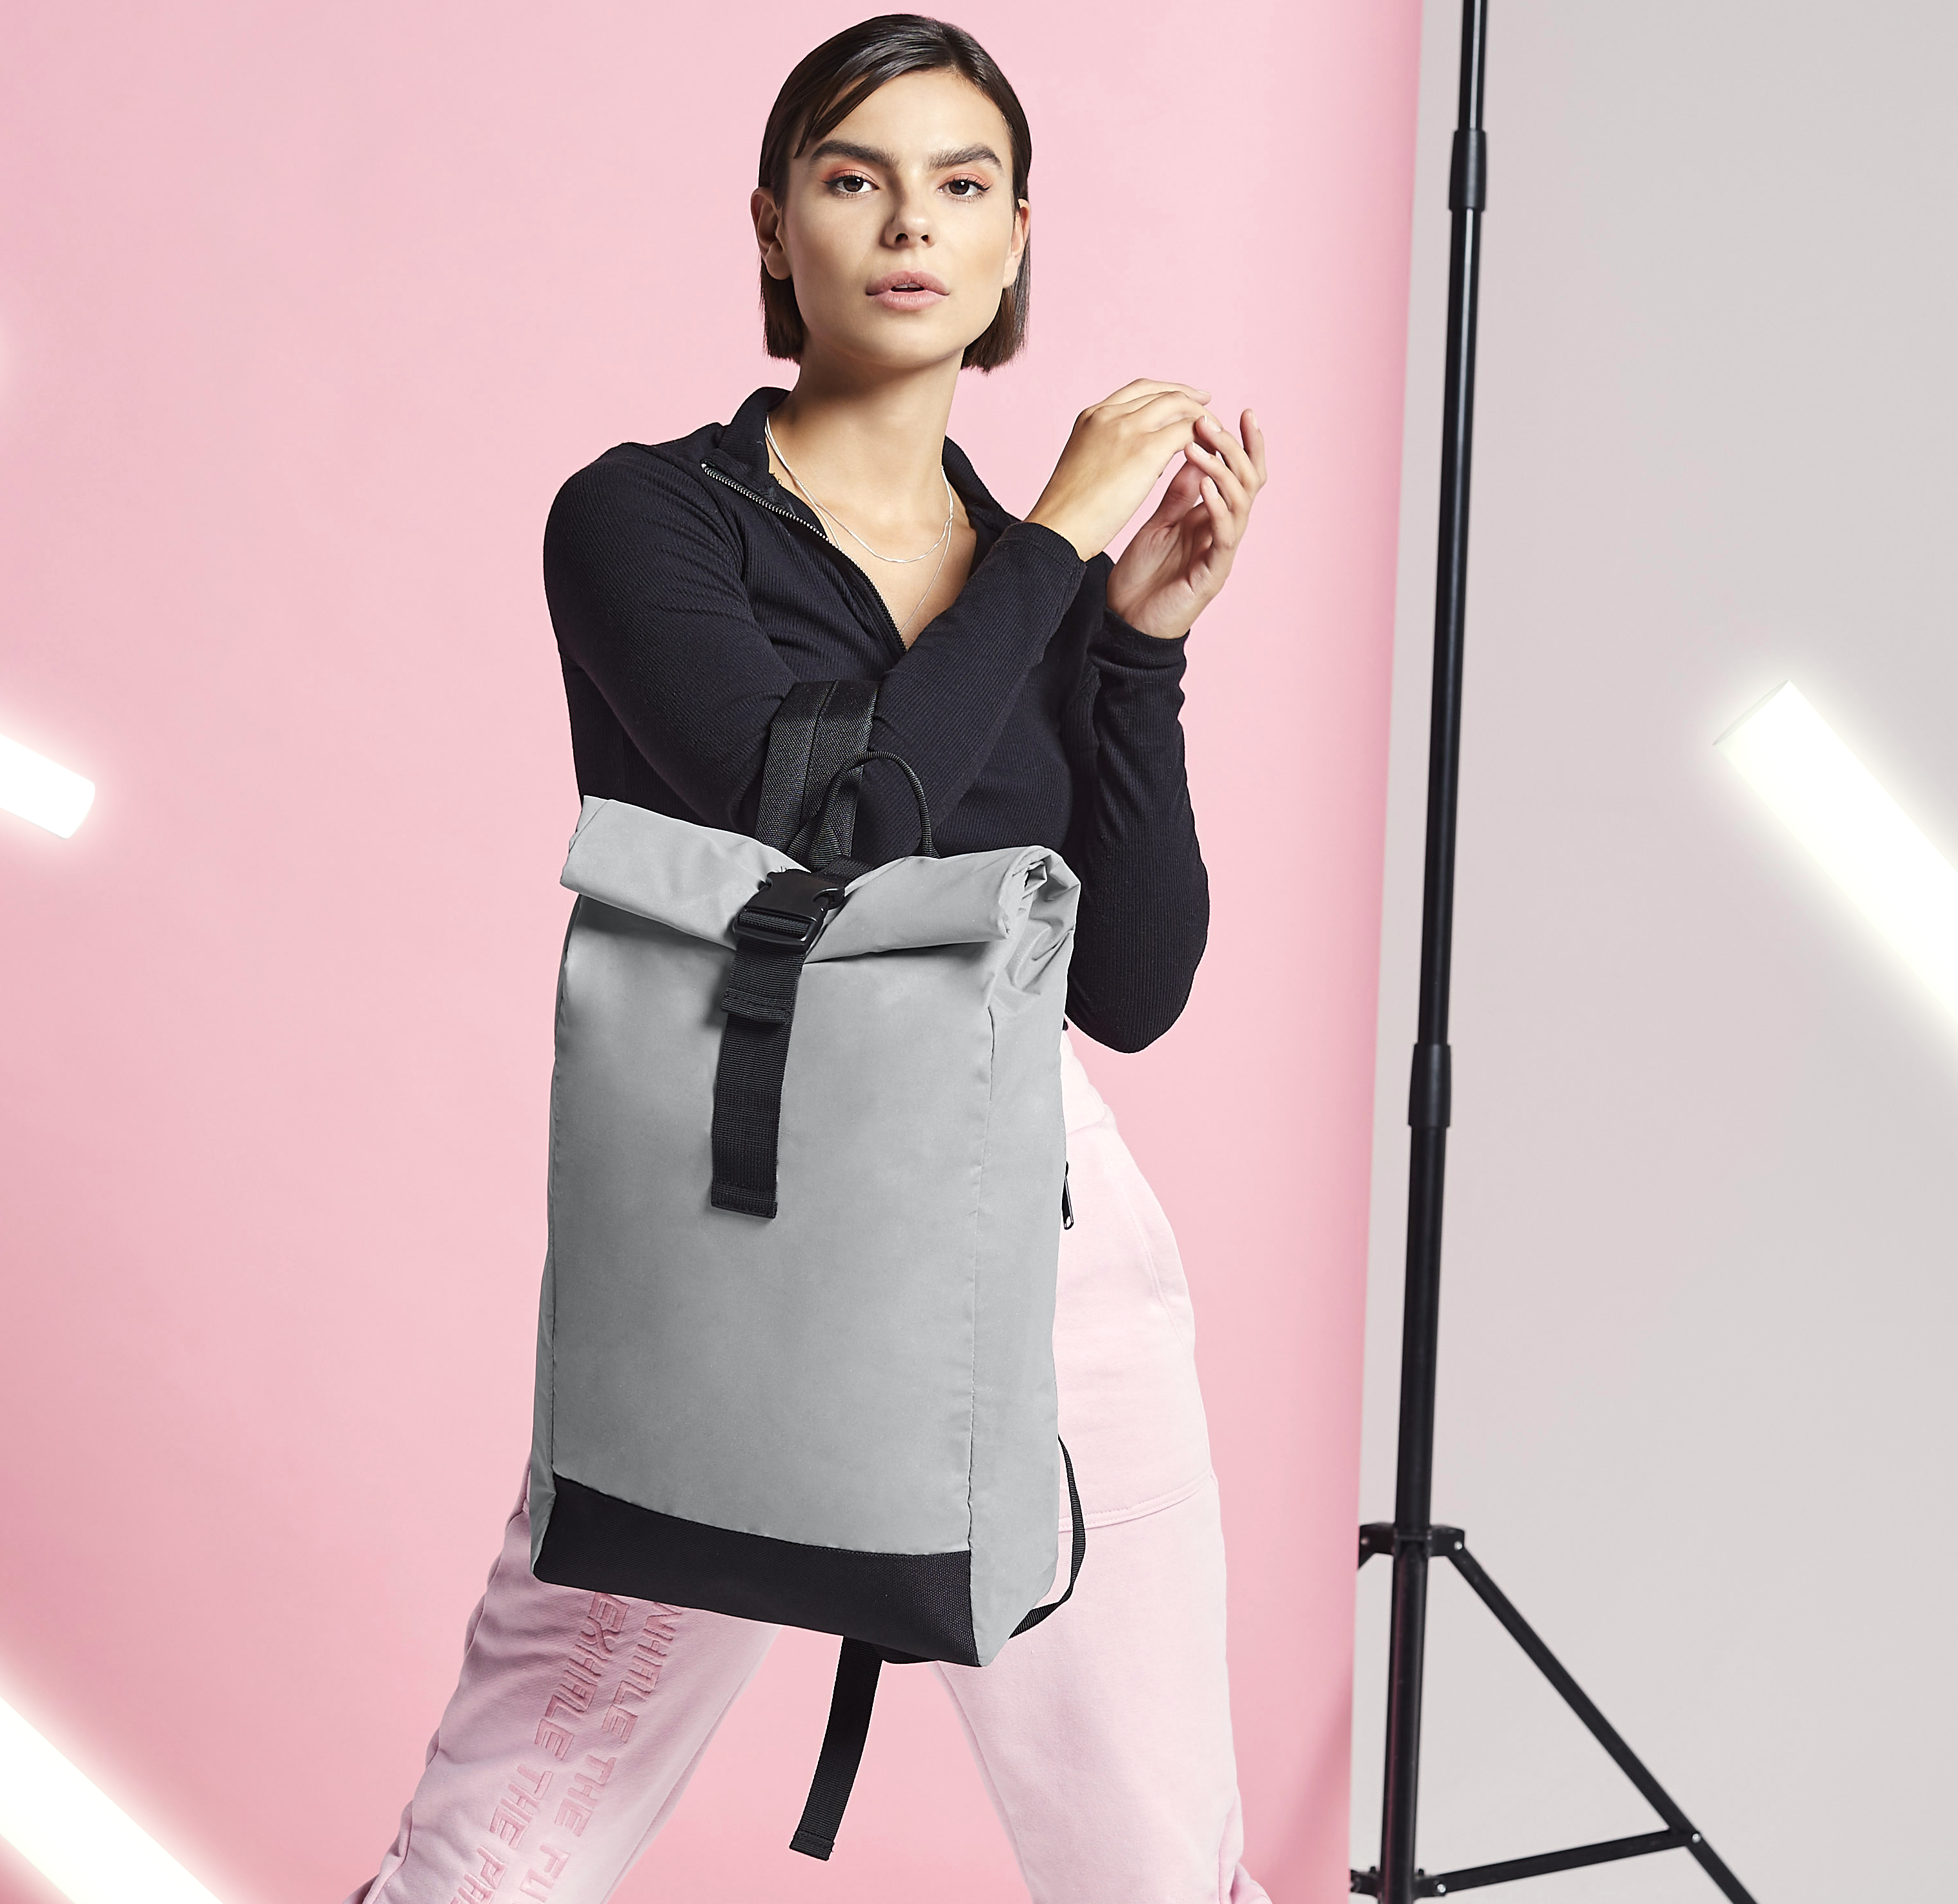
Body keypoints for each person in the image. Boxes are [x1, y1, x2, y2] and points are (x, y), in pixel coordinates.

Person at [343, 14, 1268, 1903]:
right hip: (731, 1215)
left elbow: (1132, 987)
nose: (911, 225)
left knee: (1162, 1869)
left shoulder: (1043, 579)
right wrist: (1058, 547)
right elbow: (823, 837)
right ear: (774, 226)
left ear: (1017, 237)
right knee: (493, 1859)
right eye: (856, 179)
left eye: (963, 185)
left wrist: (1138, 649)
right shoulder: (645, 518)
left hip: (1048, 1236)